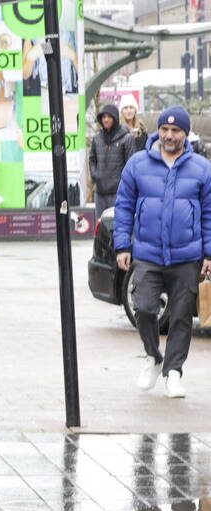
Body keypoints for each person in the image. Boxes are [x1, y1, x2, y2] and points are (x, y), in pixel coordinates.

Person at [113, 105, 211, 399]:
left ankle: (173, 372)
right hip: (147, 254)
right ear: (158, 131)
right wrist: (122, 245)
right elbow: (124, 206)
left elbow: (209, 213)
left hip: (187, 257)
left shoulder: (202, 168)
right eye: (165, 129)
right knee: (144, 309)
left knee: (181, 317)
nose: (169, 135)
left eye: (176, 130)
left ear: (185, 133)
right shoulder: (137, 164)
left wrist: (208, 254)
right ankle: (154, 357)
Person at [89, 103, 136, 220]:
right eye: (103, 117)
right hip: (100, 192)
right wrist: (95, 175)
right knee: (100, 225)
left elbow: (131, 164)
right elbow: (92, 159)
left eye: (109, 117)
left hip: (118, 192)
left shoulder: (126, 138)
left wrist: (123, 183)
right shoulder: (97, 138)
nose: (105, 120)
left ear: (115, 118)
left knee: (118, 224)